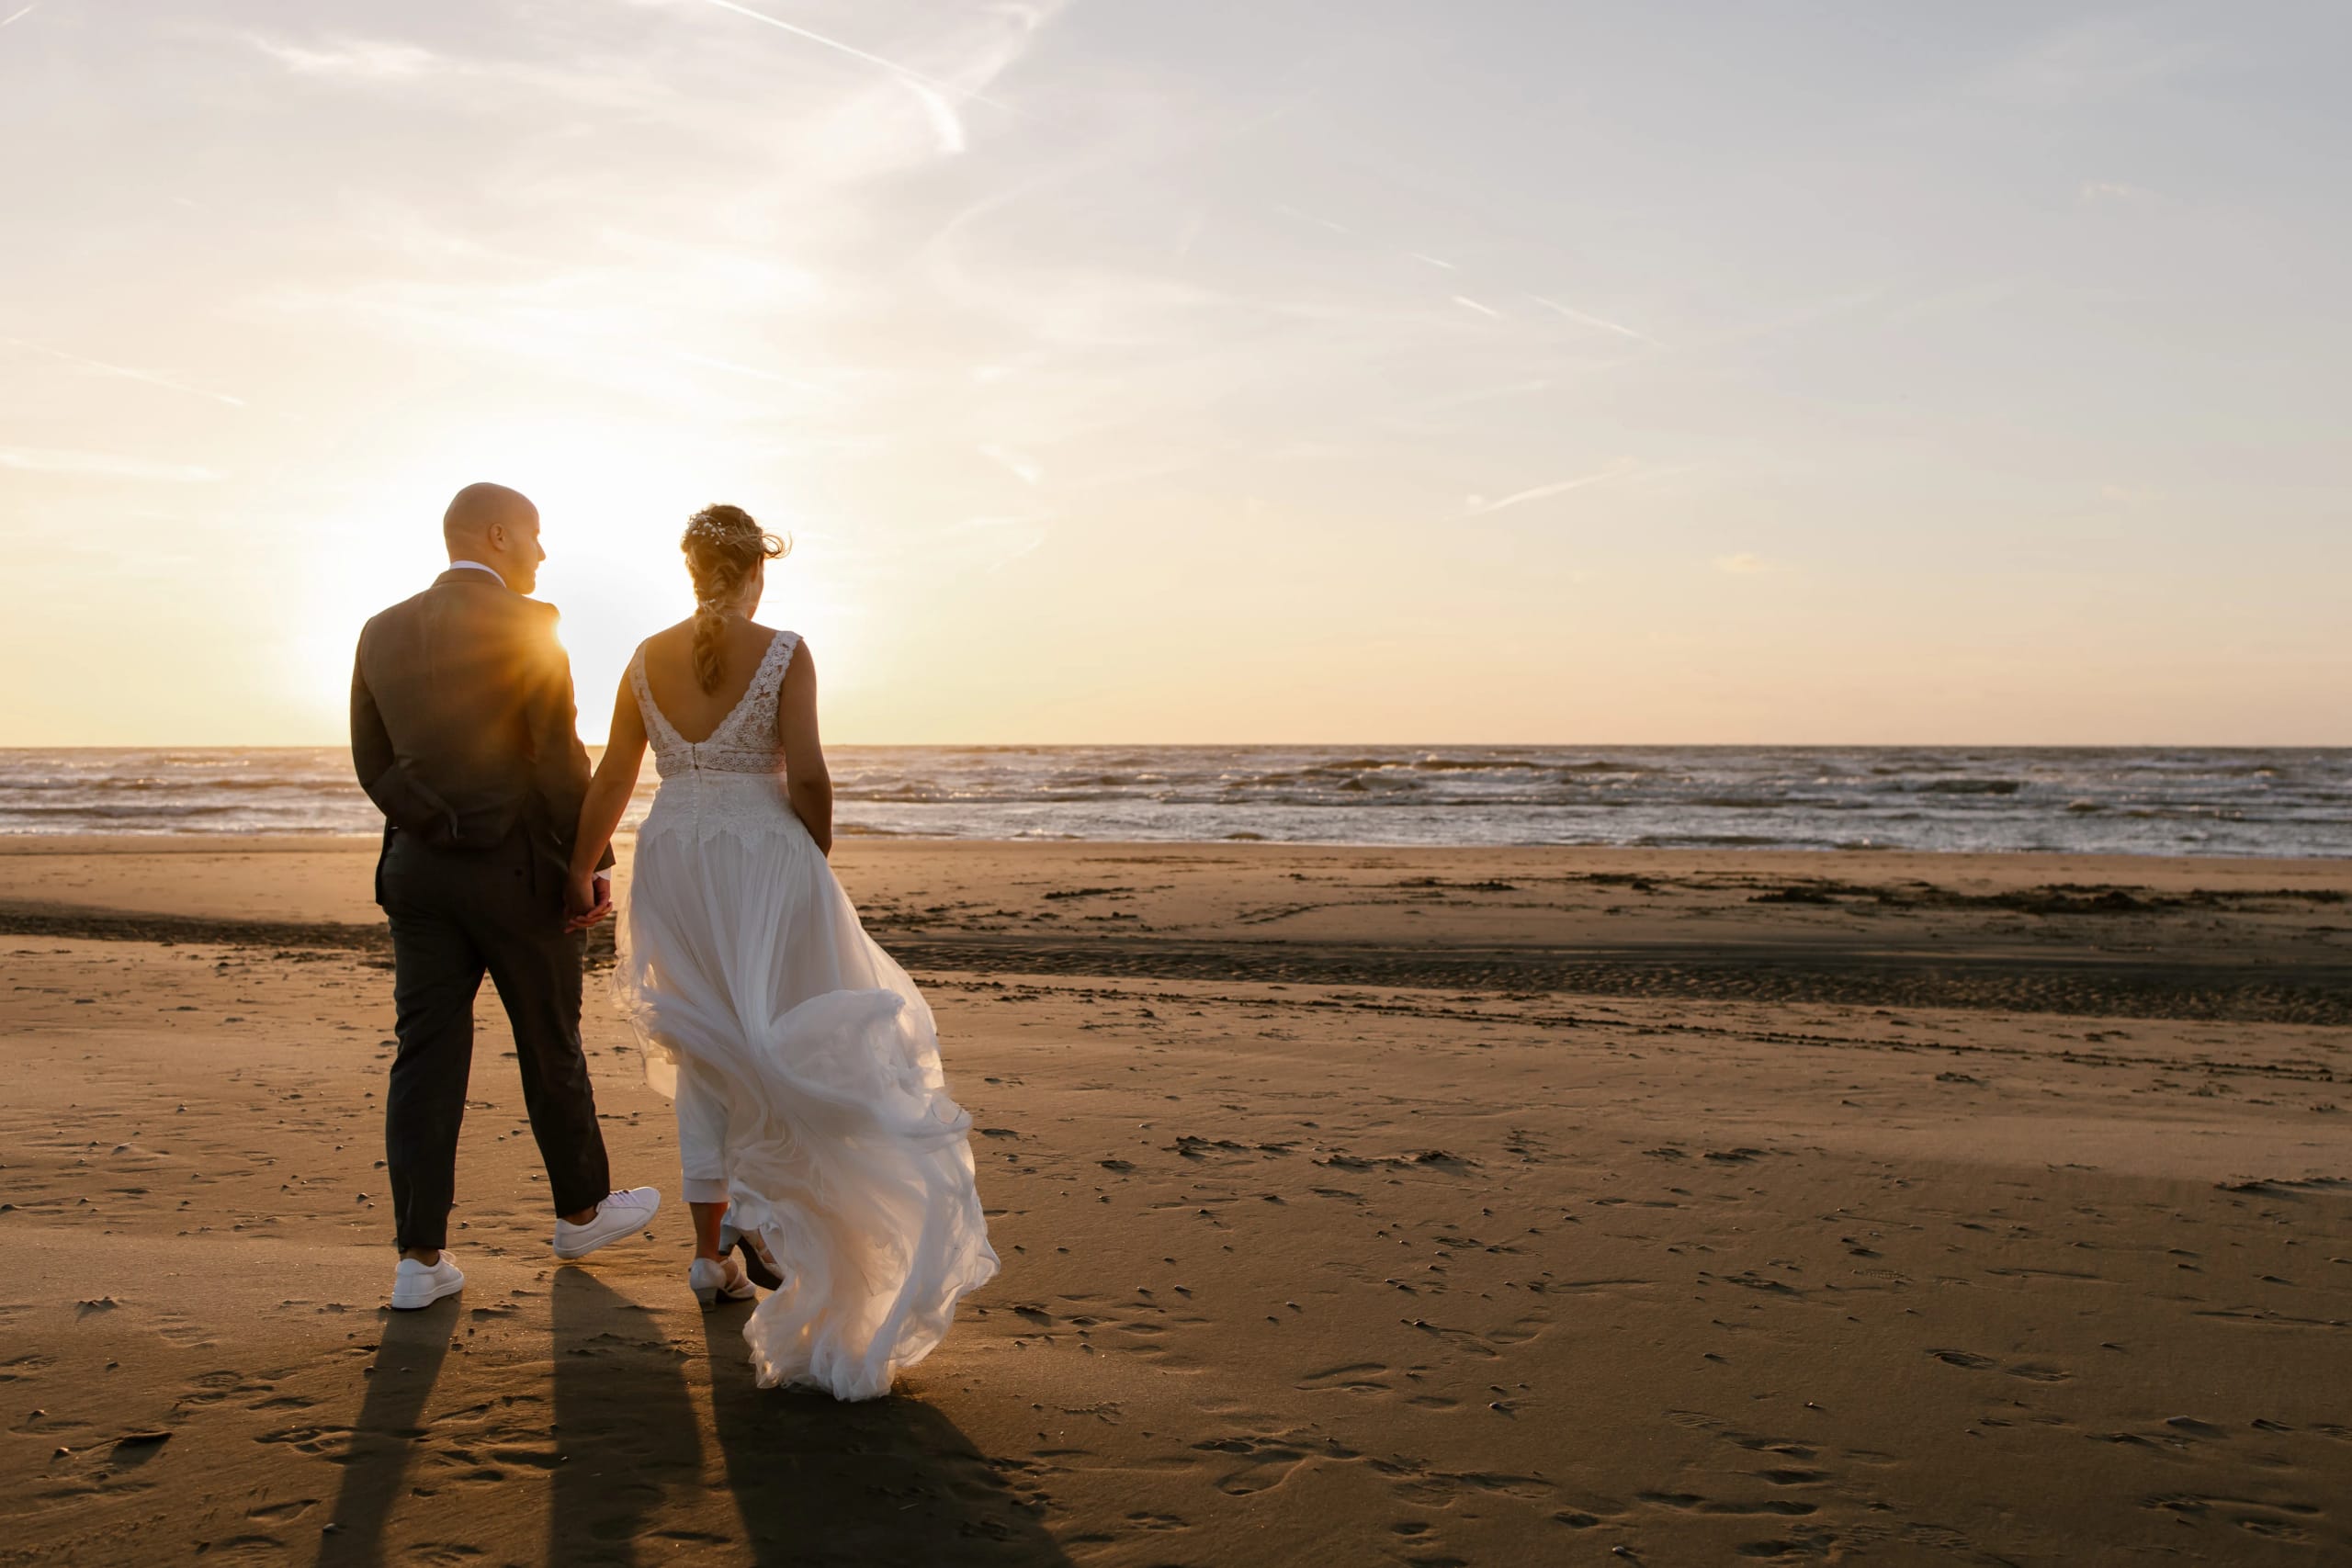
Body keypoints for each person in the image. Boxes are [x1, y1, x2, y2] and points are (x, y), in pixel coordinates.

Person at [566, 503, 997, 1400]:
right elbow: (804, 773)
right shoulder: (784, 650)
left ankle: (706, 1253)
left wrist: (580, 870)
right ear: (756, 570)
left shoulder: (644, 656)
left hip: (674, 853)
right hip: (763, 856)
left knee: (706, 1052)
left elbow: (613, 773)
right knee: (790, 1035)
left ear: (690, 572)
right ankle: (766, 1222)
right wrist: (815, 854)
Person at [350, 481, 662, 1312]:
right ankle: (581, 1212)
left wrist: (437, 824)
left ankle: (420, 1260)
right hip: (518, 873)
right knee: (548, 1039)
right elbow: (559, 758)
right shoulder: (532, 625)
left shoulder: (380, 629)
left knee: (425, 1057)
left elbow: (371, 761)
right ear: (496, 535)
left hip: (417, 876)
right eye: (533, 534)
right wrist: (585, 864)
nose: (541, 551)